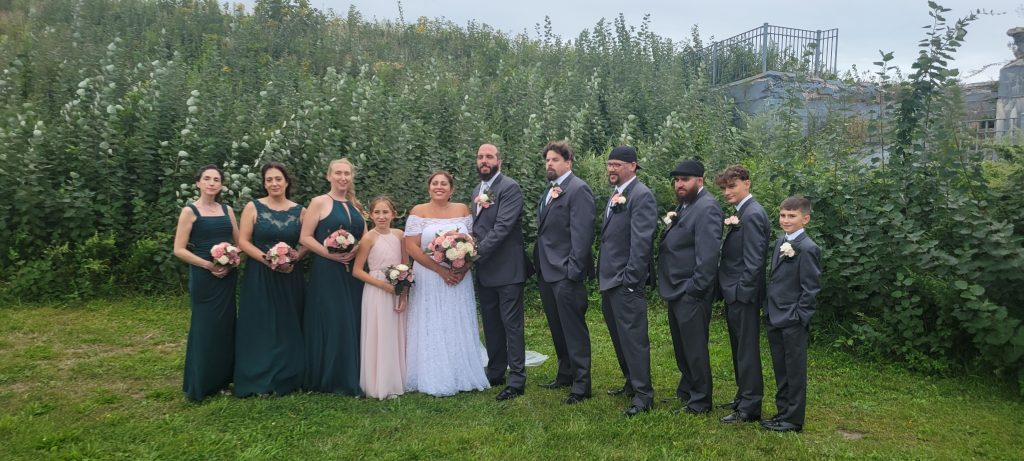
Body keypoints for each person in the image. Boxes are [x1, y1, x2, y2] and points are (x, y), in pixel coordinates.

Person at [403, 171, 490, 396]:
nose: (439, 187)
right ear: (428, 187)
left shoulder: (462, 210)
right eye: (435, 183)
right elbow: (411, 247)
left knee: (456, 318)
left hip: (459, 276)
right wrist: (440, 270)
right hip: (429, 275)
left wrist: (464, 268)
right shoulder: (418, 212)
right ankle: (431, 372)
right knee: (431, 319)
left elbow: (472, 243)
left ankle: (461, 369)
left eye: (444, 184)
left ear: (451, 190)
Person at [234, 162, 307, 397]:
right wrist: (268, 260)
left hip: (289, 274)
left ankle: (288, 377)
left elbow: (307, 241)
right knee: (260, 324)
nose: (274, 183)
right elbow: (244, 242)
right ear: (264, 183)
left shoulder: (300, 210)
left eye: (278, 179)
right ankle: (258, 378)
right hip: (260, 273)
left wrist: (295, 257)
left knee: (288, 323)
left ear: (287, 182)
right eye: (269, 180)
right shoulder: (252, 207)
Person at [657, 159, 722, 415]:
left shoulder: (707, 207)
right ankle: (687, 390)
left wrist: (695, 289)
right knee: (682, 345)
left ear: (699, 180)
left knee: (694, 348)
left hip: (690, 291)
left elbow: (708, 254)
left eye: (684, 180)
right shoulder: (686, 205)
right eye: (676, 180)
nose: (679, 184)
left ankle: (701, 401)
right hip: (676, 288)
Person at [534, 140, 596, 405]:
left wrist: (573, 271)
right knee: (557, 328)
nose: (550, 164)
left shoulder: (578, 189)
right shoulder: (550, 191)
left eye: (555, 160)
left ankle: (582, 385)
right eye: (547, 160)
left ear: (568, 162)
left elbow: (582, 235)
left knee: (574, 330)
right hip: (547, 272)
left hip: (566, 273)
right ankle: (565, 373)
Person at [596, 146, 656, 417]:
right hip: (610, 280)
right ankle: (631, 382)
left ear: (633, 166)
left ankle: (644, 395)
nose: (611, 169)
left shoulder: (641, 196)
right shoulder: (617, 194)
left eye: (617, 164)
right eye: (609, 164)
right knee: (619, 336)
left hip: (624, 281)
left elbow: (641, 243)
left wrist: (631, 281)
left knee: (634, 338)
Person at [173, 164, 240, 401]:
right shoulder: (190, 211)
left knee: (225, 327)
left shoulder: (227, 210)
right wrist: (208, 265)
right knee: (205, 328)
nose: (212, 183)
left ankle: (222, 381)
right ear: (198, 183)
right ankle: (199, 384)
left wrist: (231, 259)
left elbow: (239, 241)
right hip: (204, 276)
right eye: (207, 179)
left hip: (227, 275)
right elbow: (179, 249)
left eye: (216, 179)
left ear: (221, 185)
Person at [299, 158, 366, 395]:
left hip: (354, 271)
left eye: (347, 173)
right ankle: (332, 376)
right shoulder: (319, 202)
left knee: (354, 318)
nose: (343, 178)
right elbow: (305, 237)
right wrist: (330, 254)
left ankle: (355, 371)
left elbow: (365, 237)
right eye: (338, 173)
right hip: (328, 270)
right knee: (335, 319)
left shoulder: (355, 205)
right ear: (329, 176)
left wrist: (356, 250)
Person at [470, 144, 529, 401]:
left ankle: (516, 378)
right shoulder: (477, 190)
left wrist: (474, 254)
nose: (484, 161)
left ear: (499, 161)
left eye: (489, 157)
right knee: (491, 323)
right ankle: (495, 371)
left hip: (507, 268)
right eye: (481, 157)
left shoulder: (509, 188)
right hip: (485, 270)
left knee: (511, 324)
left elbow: (503, 228)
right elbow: (478, 228)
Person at [715, 165, 770, 423]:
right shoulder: (741, 212)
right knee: (739, 348)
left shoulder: (753, 214)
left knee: (746, 350)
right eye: (724, 188)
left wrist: (741, 293)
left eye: (732, 186)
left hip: (742, 295)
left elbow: (754, 260)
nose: (727, 192)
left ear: (747, 183)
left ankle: (750, 407)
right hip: (734, 292)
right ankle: (743, 396)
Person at [761, 196, 821, 433]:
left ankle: (794, 419)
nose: (785, 220)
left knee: (794, 371)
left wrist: (798, 317)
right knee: (781, 368)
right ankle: (782, 412)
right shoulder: (779, 243)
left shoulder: (808, 248)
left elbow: (811, 289)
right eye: (783, 215)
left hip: (792, 320)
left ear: (805, 219)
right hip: (775, 315)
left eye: (792, 216)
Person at [352, 196, 407, 400]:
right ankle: (379, 383)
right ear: (370, 215)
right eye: (377, 212)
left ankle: (397, 379)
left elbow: (405, 265)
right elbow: (357, 271)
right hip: (376, 290)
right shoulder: (368, 238)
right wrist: (383, 285)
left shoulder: (400, 235)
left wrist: (404, 293)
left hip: (396, 287)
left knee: (396, 334)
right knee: (380, 333)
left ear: (393, 214)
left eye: (385, 212)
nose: (381, 216)